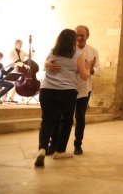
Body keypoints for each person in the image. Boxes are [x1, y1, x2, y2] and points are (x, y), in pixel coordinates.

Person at [34, 29, 92, 167]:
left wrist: (48, 65)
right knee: (66, 121)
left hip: (47, 89)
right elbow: (84, 76)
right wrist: (88, 67)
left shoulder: (52, 52)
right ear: (73, 41)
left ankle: (42, 148)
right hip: (66, 92)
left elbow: (45, 65)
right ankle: (60, 151)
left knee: (47, 120)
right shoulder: (78, 54)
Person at [45, 25, 100, 156]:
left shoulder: (93, 51)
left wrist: (90, 68)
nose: (79, 37)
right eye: (77, 35)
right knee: (58, 117)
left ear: (87, 36)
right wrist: (47, 64)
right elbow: (48, 61)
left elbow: (98, 69)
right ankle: (54, 145)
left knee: (80, 118)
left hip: (83, 90)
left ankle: (77, 145)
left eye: (82, 35)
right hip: (65, 90)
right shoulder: (65, 49)